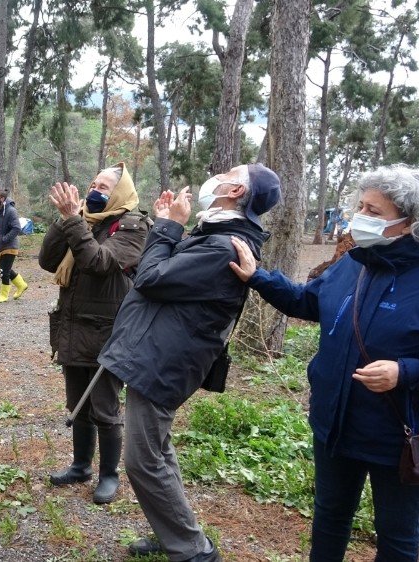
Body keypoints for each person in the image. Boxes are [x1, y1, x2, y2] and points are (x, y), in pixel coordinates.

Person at [230, 165, 419, 561]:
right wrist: (259, 277)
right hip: (335, 425)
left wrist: (406, 371)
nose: (359, 217)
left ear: (411, 222)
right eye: (360, 206)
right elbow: (310, 302)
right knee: (329, 517)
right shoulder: (357, 262)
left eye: (373, 211)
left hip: (401, 437)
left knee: (395, 535)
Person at [99, 163, 282, 561]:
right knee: (158, 452)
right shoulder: (215, 233)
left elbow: (151, 279)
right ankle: (176, 536)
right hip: (158, 353)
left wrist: (168, 228)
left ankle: (193, 550)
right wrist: (169, 224)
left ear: (235, 190)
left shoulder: (223, 247)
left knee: (143, 460)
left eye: (229, 172)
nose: (216, 175)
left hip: (166, 361)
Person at [39, 163, 149, 504]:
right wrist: (67, 220)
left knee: (104, 407)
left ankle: (109, 475)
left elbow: (100, 263)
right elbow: (47, 260)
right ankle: (80, 465)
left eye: (103, 185)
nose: (94, 189)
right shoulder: (82, 219)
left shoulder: (133, 225)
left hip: (108, 331)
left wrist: (74, 221)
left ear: (119, 191)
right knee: (78, 403)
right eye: (92, 183)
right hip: (73, 326)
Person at [0, 188, 28, 302]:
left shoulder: (10, 211)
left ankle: (4, 295)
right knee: (6, 269)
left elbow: (17, 228)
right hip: (2, 245)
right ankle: (21, 285)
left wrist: (4, 239)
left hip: (10, 245)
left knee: (4, 271)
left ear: (2, 198)